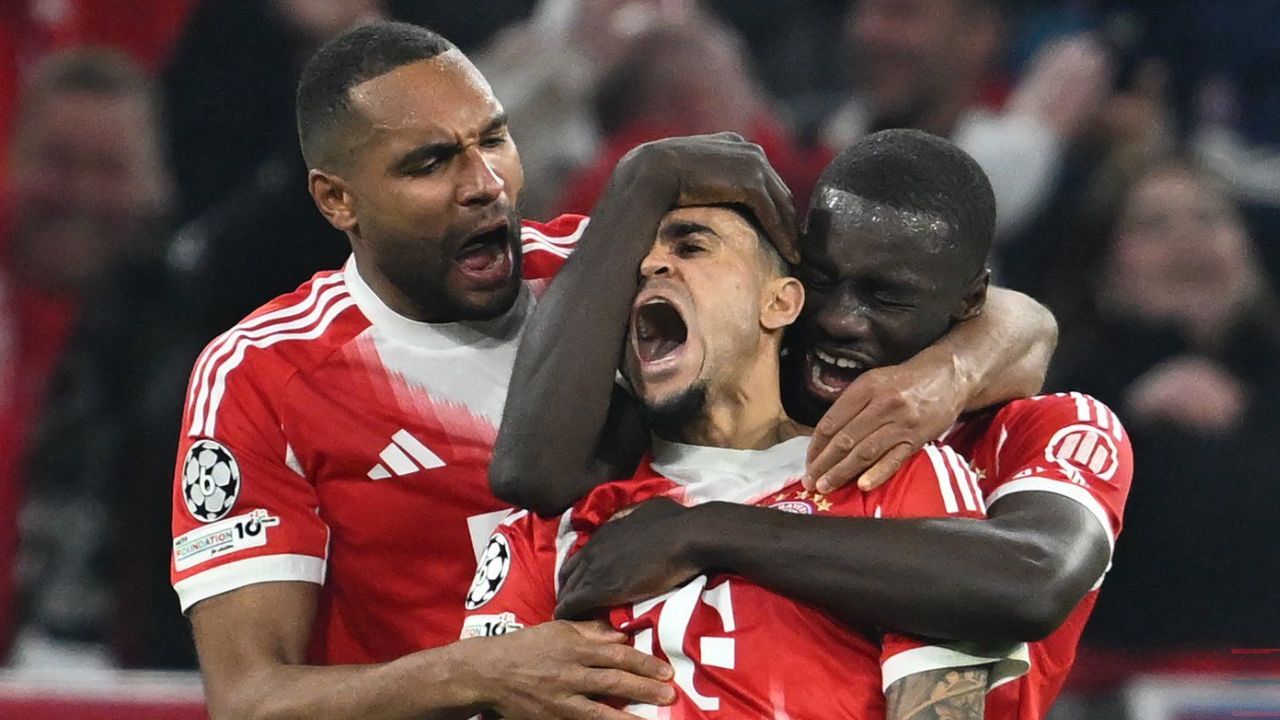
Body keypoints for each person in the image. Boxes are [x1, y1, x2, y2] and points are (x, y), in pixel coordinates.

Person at [172, 21, 1055, 720]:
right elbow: (251, 699)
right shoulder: (264, 375)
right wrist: (478, 672)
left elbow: (986, 311)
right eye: (430, 163)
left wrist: (949, 367)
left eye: (494, 139)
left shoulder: (622, 272)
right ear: (338, 198)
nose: (486, 184)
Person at [495, 130, 1132, 720]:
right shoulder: (686, 416)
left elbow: (1031, 580)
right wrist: (646, 175)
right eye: (822, 281)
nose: (838, 320)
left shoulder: (1039, 431)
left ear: (969, 301)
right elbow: (535, 472)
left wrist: (704, 531)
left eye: (886, 298)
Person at [0, 47, 169, 664]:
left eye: (110, 168)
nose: (81, 193)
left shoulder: (200, 348)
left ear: (156, 187)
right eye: (57, 161)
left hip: (129, 682)